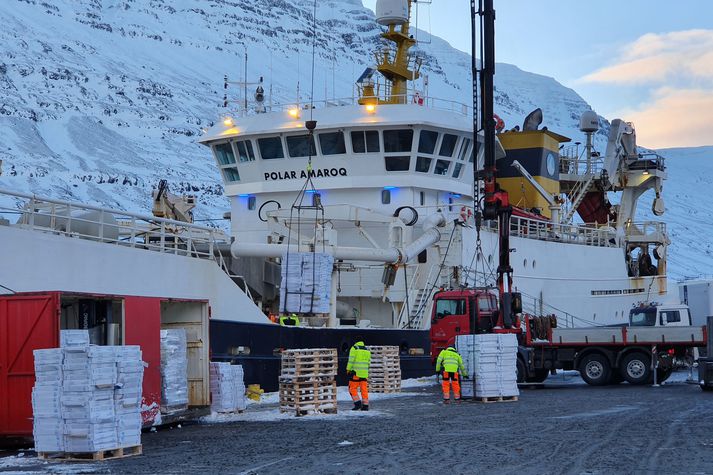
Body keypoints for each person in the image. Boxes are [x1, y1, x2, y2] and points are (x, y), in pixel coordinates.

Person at [347, 340, 371, 411]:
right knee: (364, 389)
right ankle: (365, 405)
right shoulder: (367, 350)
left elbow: (351, 360)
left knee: (352, 388)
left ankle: (357, 404)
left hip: (356, 373)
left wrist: (348, 369)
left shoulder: (354, 348)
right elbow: (368, 363)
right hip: (364, 374)